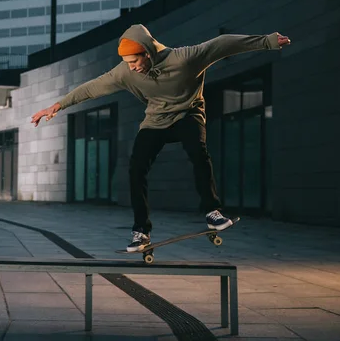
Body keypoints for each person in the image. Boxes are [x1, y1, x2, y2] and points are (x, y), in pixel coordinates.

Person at [31, 24, 291, 252]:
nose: (132, 68)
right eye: (128, 64)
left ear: (148, 52)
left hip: (188, 114)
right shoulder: (125, 72)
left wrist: (267, 41)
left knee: (198, 151)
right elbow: (92, 87)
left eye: (135, 62)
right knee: (136, 169)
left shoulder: (184, 58)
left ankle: (212, 211)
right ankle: (141, 231)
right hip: (155, 121)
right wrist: (57, 106)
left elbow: (223, 45)